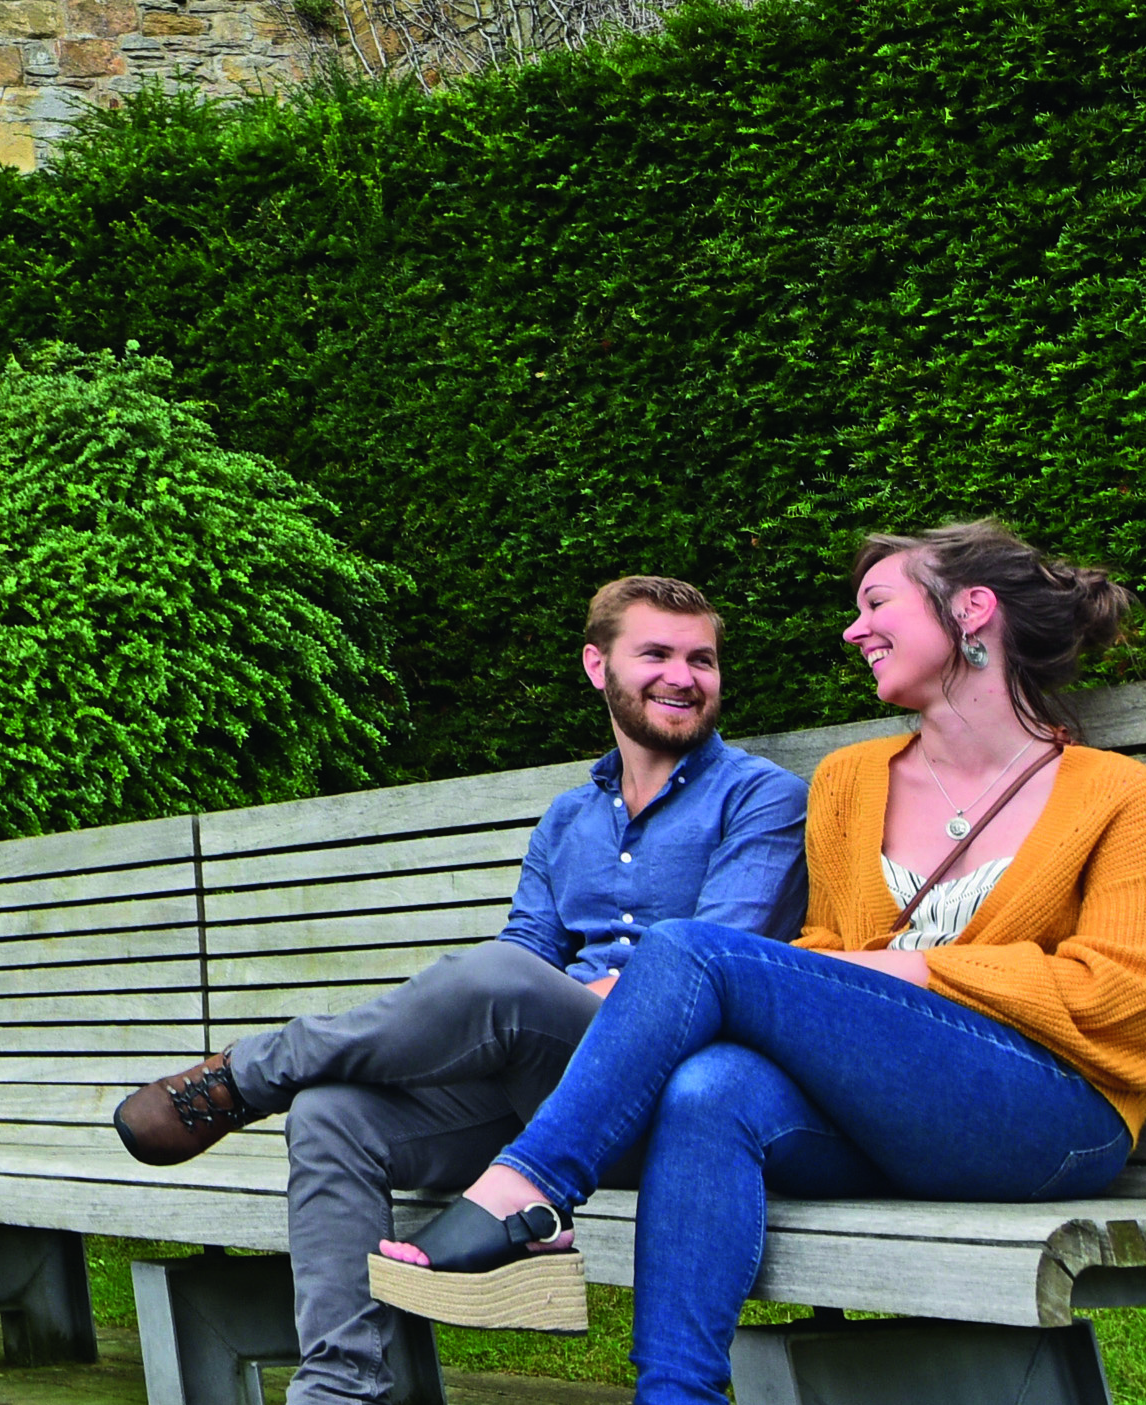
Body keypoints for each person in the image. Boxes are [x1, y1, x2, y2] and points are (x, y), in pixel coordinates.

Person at [368, 522, 1146, 1405]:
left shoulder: (1119, 797)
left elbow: (1142, 999)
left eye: (877, 603)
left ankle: (526, 1189)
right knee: (711, 1088)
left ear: (973, 610)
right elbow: (818, 961)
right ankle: (677, 1396)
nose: (854, 630)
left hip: (1048, 1119)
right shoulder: (852, 782)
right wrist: (867, 981)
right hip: (885, 1108)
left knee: (690, 949)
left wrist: (919, 972)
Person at [107, 575, 803, 1405]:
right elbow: (525, 959)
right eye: (655, 653)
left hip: (682, 1106)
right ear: (597, 665)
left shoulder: (762, 798)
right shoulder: (566, 821)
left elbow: (710, 969)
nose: (683, 677)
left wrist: (545, 991)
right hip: (545, 1092)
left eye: (703, 659)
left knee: (505, 983)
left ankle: (254, 1069)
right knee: (332, 1116)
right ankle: (338, 1389)